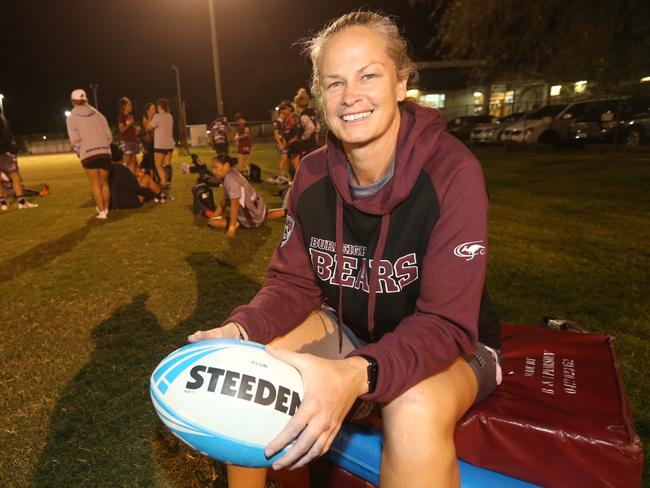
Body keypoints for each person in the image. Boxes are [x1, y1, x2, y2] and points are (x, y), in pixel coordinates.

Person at [189, 11, 502, 488]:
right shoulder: (312, 174)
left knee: (411, 406)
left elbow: (444, 323)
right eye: (334, 83)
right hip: (352, 327)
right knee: (254, 367)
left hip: (458, 345)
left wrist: (356, 375)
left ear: (401, 83)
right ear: (320, 97)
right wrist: (240, 329)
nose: (350, 96)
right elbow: (293, 282)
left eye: (369, 75)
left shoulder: (453, 173)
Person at [207, 155, 285, 237]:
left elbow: (234, 204)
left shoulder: (230, 179)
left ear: (226, 165)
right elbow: (225, 201)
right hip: (260, 209)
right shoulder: (234, 171)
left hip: (252, 218)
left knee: (212, 223)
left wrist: (232, 227)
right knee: (265, 215)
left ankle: (238, 223)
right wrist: (215, 215)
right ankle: (286, 211)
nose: (213, 171)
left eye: (216, 167)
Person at [66, 89, 112, 219]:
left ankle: (102, 212)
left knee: (95, 184)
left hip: (88, 154)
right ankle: (107, 208)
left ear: (73, 102)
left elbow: (74, 139)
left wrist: (80, 152)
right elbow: (108, 136)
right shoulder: (99, 115)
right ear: (86, 100)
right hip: (104, 152)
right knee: (104, 183)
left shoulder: (72, 118)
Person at [0, 108, 38, 210]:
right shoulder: (1, 119)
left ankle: (3, 203)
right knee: (15, 176)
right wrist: (12, 149)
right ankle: (21, 202)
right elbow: (5, 136)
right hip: (3, 152)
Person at [151, 98, 174, 200]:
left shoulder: (157, 116)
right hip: (169, 144)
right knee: (167, 164)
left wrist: (150, 118)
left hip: (160, 145)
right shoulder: (170, 116)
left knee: (158, 165)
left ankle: (163, 183)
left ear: (159, 107)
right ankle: (168, 181)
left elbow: (149, 127)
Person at [293, 87, 322, 168]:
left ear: (297, 104)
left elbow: (311, 127)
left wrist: (303, 138)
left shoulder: (304, 115)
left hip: (307, 144)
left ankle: (298, 178)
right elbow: (318, 126)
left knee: (295, 156)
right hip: (314, 142)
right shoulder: (311, 112)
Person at [117, 97, 140, 174]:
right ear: (124, 106)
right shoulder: (121, 116)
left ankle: (133, 179)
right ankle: (122, 177)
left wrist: (136, 130)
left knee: (134, 160)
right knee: (126, 161)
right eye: (129, 105)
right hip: (126, 141)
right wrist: (130, 125)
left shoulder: (130, 116)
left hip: (133, 140)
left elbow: (131, 130)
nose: (131, 106)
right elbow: (121, 130)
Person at [272, 100, 290, 179]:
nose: (287, 110)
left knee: (286, 159)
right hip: (279, 142)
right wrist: (281, 144)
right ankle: (281, 175)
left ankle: (283, 174)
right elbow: (276, 135)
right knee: (284, 158)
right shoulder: (277, 122)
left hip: (283, 142)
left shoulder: (283, 121)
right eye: (285, 109)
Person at [140, 103, 156, 177]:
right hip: (148, 142)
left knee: (154, 158)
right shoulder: (145, 118)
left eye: (154, 108)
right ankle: (151, 176)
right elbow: (147, 128)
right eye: (152, 109)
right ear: (148, 110)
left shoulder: (156, 117)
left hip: (156, 141)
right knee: (149, 158)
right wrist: (149, 118)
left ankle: (154, 175)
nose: (154, 110)